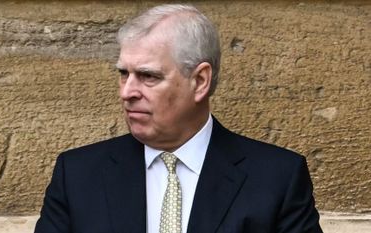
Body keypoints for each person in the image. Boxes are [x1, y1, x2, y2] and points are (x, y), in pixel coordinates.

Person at [35, 4, 323, 233]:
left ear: (199, 81)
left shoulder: (276, 178)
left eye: (148, 76)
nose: (127, 92)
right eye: (124, 73)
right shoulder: (77, 175)